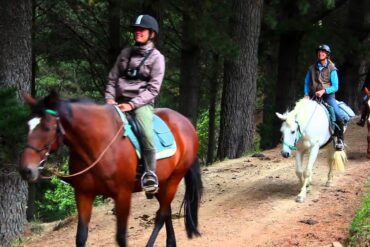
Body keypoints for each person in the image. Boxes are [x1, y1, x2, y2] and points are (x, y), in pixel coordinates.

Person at [105, 14, 165, 195]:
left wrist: (132, 105)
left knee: (146, 133)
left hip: (141, 105)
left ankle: (149, 174)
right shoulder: (125, 53)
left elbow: (153, 89)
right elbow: (112, 79)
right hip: (116, 102)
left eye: (142, 30)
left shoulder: (157, 58)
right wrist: (109, 99)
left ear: (151, 34)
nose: (138, 32)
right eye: (136, 30)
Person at [303, 44, 349, 150]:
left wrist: (324, 91)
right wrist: (306, 94)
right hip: (313, 95)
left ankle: (340, 140)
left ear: (327, 54)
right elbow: (306, 82)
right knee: (299, 111)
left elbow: (336, 86)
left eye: (323, 52)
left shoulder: (332, 68)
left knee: (338, 116)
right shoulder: (311, 68)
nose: (320, 53)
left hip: (328, 96)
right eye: (319, 51)